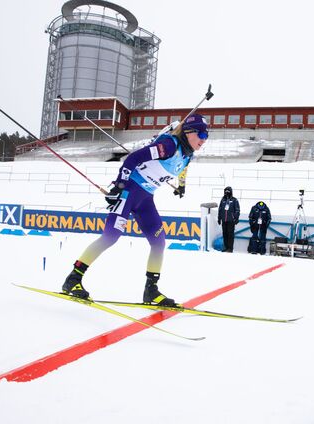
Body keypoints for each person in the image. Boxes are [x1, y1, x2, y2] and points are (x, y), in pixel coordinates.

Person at [61, 114, 209, 306]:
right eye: (201, 134)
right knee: (110, 237)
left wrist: (182, 186)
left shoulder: (188, 154)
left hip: (146, 198)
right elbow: (133, 158)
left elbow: (183, 169)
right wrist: (119, 186)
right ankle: (73, 280)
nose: (204, 139)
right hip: (129, 192)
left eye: (207, 135)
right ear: (189, 132)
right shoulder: (169, 145)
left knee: (159, 242)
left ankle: (151, 291)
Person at [217, 186, 240, 252]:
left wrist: (236, 218)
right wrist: (219, 218)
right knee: (225, 234)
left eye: (228, 191)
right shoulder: (223, 200)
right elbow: (220, 209)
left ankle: (230, 248)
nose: (226, 192)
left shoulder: (234, 200)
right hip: (224, 220)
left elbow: (237, 210)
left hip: (231, 220)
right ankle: (226, 247)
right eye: (225, 191)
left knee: (230, 234)